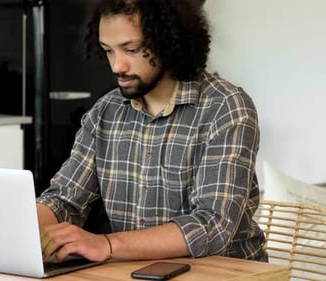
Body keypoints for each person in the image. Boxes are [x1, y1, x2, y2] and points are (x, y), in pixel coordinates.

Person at [36, 0, 267, 263]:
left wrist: (106, 245)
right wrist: (22, 227)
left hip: (226, 274)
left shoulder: (225, 107)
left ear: (169, 40)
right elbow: (65, 200)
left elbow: (212, 226)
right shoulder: (105, 112)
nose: (117, 66)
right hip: (136, 271)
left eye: (131, 49)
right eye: (108, 51)